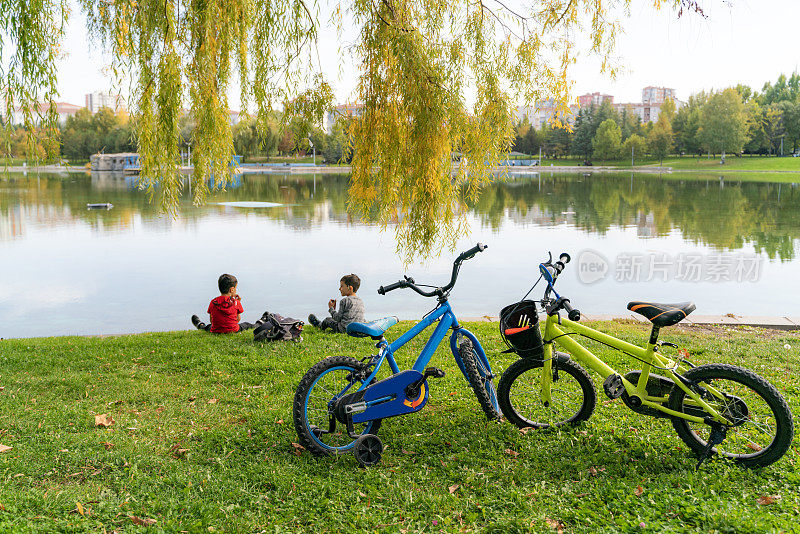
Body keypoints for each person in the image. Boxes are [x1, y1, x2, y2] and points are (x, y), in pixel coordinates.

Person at [191, 274, 262, 334]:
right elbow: (238, 319)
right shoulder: (236, 302)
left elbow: (212, 321)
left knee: (208, 327)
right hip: (233, 330)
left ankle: (200, 324)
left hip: (216, 330)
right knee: (247, 325)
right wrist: (238, 302)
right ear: (232, 289)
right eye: (236, 288)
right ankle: (260, 323)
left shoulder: (213, 302)